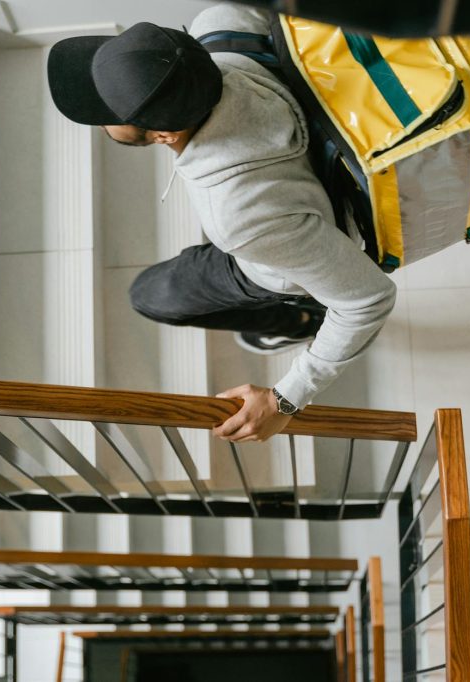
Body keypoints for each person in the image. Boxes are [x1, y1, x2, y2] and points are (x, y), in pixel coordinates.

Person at [46, 4, 396, 443]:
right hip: (304, 196)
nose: (99, 120)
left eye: (105, 113)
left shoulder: (240, 214)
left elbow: (369, 300)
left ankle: (301, 319)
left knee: (152, 296)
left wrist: (284, 399)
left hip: (279, 253)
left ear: (164, 135)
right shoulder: (222, 23)